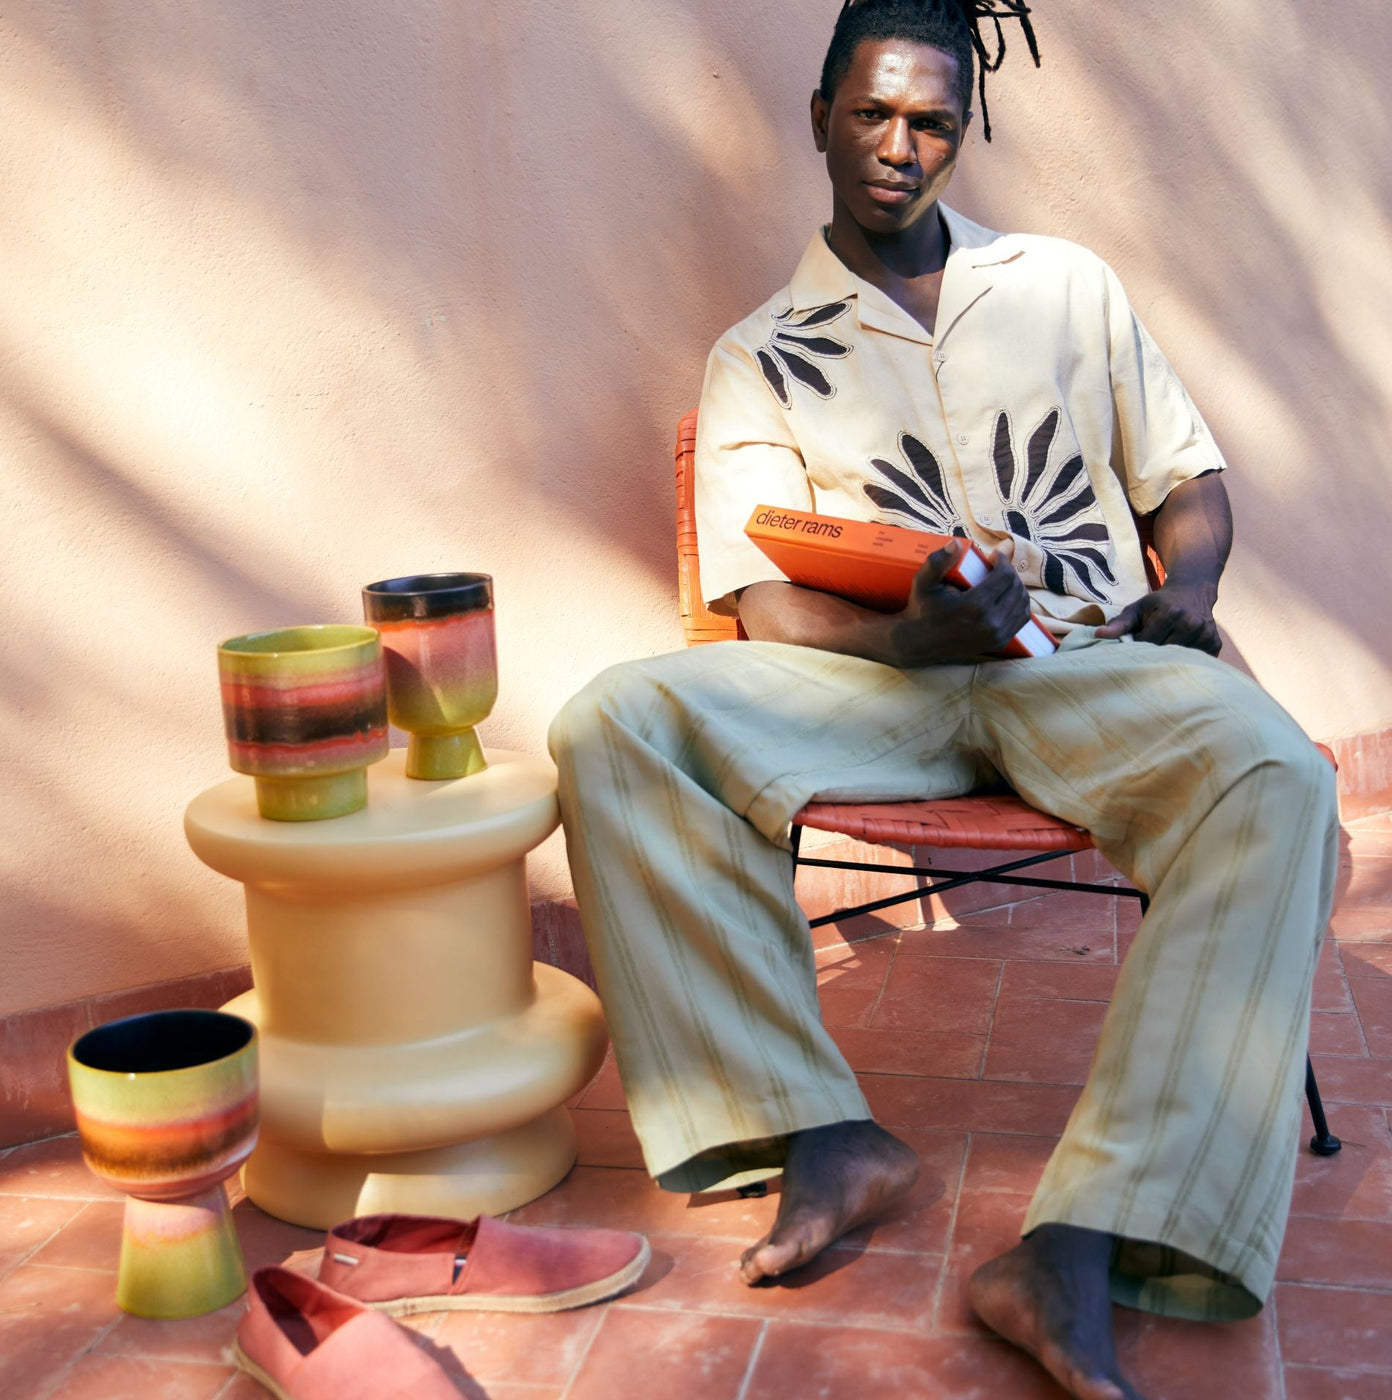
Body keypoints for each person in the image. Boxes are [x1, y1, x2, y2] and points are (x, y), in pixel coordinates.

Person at [548, 3, 1338, 1397]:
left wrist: (1195, 591)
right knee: (614, 719)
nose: (898, 147)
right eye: (871, 114)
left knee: (1282, 774)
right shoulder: (762, 351)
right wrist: (911, 637)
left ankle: (1082, 1242)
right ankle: (821, 1136)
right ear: (821, 118)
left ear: (961, 135)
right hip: (879, 684)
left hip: (1081, 666)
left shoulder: (1066, 288)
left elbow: (1187, 480)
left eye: (930, 123)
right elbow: (767, 606)